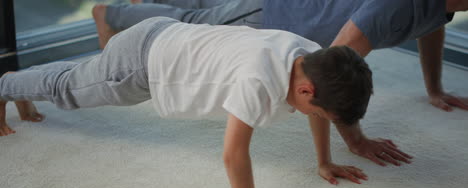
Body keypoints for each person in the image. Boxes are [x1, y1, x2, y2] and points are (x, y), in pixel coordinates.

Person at [1, 17, 374, 188]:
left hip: (166, 36)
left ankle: (21, 83)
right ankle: (7, 85)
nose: (316, 117)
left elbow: (315, 111)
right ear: (306, 90)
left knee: (75, 77)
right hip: (142, 66)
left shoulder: (310, 54)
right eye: (319, 112)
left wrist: (324, 162)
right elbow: (233, 155)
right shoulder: (258, 80)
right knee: (70, 89)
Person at [93, 0, 468, 169]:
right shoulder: (394, 6)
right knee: (191, 22)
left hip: (289, 30)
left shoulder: (440, 4)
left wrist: (433, 88)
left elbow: (431, 24)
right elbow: (333, 71)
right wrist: (354, 140)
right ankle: (112, 13)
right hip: (272, 20)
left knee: (201, 12)